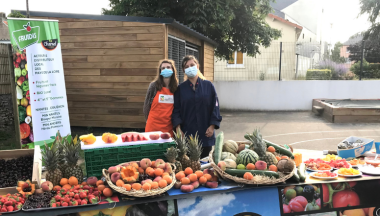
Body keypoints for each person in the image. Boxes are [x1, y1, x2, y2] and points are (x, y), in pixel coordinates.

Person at [172, 55, 222, 158]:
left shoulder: (208, 86)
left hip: (206, 133)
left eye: (192, 65)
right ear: (183, 70)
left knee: (206, 167)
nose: (190, 68)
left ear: (197, 66)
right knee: (189, 169)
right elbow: (176, 109)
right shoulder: (180, 89)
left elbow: (215, 107)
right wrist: (178, 128)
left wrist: (212, 126)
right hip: (187, 135)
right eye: (186, 66)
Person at [144, 59, 179, 136]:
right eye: (163, 68)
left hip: (168, 128)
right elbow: (146, 106)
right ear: (160, 71)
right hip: (152, 127)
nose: (166, 69)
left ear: (173, 70)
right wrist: (148, 120)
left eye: (168, 67)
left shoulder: (176, 88)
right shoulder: (153, 86)